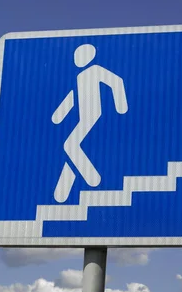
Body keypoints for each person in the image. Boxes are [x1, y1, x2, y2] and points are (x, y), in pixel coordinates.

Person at [52, 44, 128, 203]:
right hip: (82, 117)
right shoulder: (80, 77)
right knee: (76, 149)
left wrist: (121, 106)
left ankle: (93, 179)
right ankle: (64, 190)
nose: (76, 59)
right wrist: (59, 114)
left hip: (93, 115)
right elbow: (74, 96)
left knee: (70, 145)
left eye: (80, 56)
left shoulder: (95, 70)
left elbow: (116, 82)